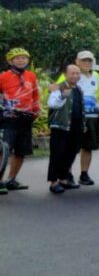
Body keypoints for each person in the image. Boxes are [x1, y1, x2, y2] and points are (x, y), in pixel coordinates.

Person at [55, 51, 99, 186]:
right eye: (83, 61)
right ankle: (66, 174)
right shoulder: (72, 74)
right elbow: (57, 88)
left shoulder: (96, 76)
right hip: (73, 116)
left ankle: (84, 174)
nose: (86, 63)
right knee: (70, 147)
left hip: (92, 116)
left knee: (88, 147)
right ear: (77, 61)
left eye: (89, 61)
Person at [1, 48, 41, 194]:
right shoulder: (4, 77)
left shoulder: (31, 76)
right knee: (3, 150)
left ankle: (11, 179)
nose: (21, 60)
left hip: (26, 118)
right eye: (17, 58)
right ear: (11, 61)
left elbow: (35, 95)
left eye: (23, 58)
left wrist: (36, 109)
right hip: (9, 118)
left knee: (21, 151)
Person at [47, 65, 86, 194]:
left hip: (75, 126)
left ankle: (63, 179)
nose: (75, 76)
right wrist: (62, 96)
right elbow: (52, 104)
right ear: (65, 74)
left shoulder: (79, 89)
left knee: (71, 153)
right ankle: (53, 182)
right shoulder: (58, 87)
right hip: (60, 126)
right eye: (72, 73)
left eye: (77, 73)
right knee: (57, 154)